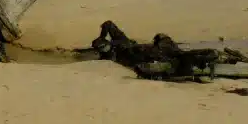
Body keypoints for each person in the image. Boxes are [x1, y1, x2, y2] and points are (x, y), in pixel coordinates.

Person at [91, 20, 220, 81]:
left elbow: (108, 24)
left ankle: (209, 56)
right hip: (155, 52)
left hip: (156, 53)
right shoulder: (122, 42)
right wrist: (102, 37)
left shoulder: (121, 47)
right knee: (179, 56)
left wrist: (102, 38)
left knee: (179, 57)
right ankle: (208, 55)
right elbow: (108, 24)